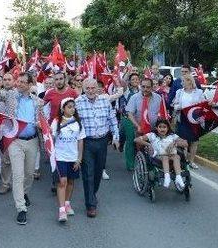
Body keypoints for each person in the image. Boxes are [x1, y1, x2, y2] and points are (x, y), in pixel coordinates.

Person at [0, 65, 43, 225]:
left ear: (31, 84)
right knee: (17, 175)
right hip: (15, 141)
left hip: (32, 141)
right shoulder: (10, 96)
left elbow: (43, 121)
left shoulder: (38, 102)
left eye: (24, 82)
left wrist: (40, 124)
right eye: (18, 81)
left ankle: (24, 193)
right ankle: (21, 208)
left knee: (29, 174)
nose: (19, 84)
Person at [75, 78, 119, 218]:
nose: (90, 91)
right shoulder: (77, 103)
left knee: (98, 172)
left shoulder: (105, 101)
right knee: (88, 173)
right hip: (86, 142)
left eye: (93, 88)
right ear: (83, 89)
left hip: (102, 141)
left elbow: (112, 119)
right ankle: (91, 205)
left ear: (97, 89)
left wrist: (116, 137)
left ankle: (92, 194)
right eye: (87, 88)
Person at [52, 98, 85, 223]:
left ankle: (67, 203)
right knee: (62, 182)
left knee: (71, 182)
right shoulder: (56, 122)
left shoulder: (78, 123)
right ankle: (61, 210)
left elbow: (80, 140)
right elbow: (51, 138)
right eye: (69, 107)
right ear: (62, 109)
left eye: (73, 106)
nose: (72, 109)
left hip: (73, 157)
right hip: (60, 157)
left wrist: (79, 158)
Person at [134, 119, 187, 189]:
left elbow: (185, 143)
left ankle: (178, 177)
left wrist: (175, 143)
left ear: (167, 128)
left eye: (164, 127)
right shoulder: (152, 135)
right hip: (157, 157)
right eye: (160, 127)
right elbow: (136, 140)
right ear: (156, 128)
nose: (162, 129)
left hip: (171, 155)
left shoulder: (172, 136)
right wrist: (148, 144)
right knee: (165, 157)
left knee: (177, 157)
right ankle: (167, 177)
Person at [125, 78, 163, 171]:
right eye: (143, 86)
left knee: (154, 148)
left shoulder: (158, 97)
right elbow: (130, 113)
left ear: (152, 88)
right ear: (140, 86)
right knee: (139, 148)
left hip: (154, 129)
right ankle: (138, 166)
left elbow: (162, 113)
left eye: (148, 87)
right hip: (139, 128)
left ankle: (153, 165)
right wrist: (137, 126)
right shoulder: (134, 97)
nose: (145, 89)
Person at [172, 75, 206, 168]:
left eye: (183, 81)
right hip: (183, 118)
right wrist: (180, 107)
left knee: (194, 141)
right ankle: (184, 160)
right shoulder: (179, 92)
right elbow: (174, 105)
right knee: (183, 141)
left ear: (190, 81)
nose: (181, 83)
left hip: (194, 119)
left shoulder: (198, 92)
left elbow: (203, 104)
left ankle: (191, 161)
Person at [0, 71, 15, 195]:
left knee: (17, 159)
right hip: (4, 132)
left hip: (18, 131)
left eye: (9, 79)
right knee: (5, 160)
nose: (7, 81)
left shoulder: (18, 95)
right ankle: (5, 183)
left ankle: (17, 183)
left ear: (13, 81)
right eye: (5, 79)